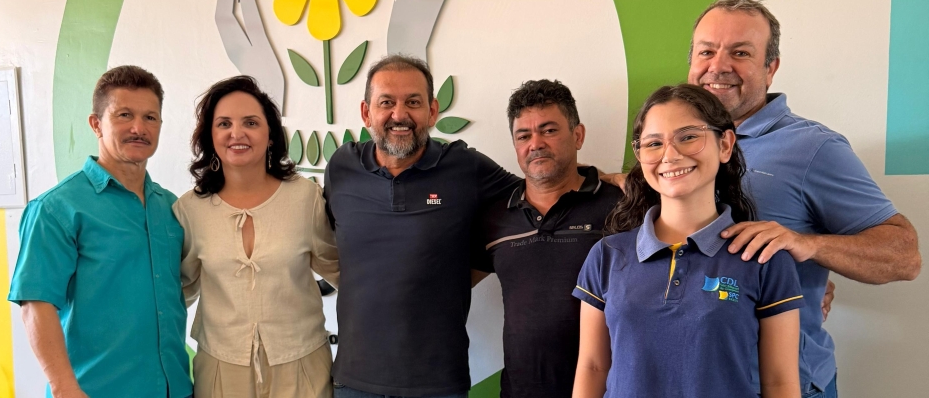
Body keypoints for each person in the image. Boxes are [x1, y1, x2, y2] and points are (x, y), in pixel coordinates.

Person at [686, 0, 920, 396]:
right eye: (707, 51)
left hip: (782, 384)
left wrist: (807, 246)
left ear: (770, 67)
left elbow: (905, 256)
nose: (718, 66)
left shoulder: (813, 148)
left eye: (740, 53)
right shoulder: (673, 145)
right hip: (693, 379)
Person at [574, 84, 803, 398]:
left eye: (689, 137)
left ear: (725, 145)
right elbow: (593, 367)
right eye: (654, 143)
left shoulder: (764, 257)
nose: (670, 155)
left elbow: (780, 382)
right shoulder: (607, 255)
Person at [323, 55, 520, 398]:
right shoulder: (341, 167)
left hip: (437, 382)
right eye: (386, 102)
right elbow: (324, 241)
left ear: (432, 111)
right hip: (354, 380)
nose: (399, 115)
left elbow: (537, 194)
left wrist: (602, 178)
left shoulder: (465, 168)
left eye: (413, 102)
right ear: (366, 113)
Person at [8, 66, 191, 398]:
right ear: (96, 124)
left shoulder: (171, 207)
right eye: (124, 115)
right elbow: (36, 305)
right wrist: (64, 388)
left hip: (175, 389)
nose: (139, 128)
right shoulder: (56, 208)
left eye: (150, 118)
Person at [174, 76, 338, 398]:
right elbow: (178, 292)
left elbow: (341, 270)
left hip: (303, 365)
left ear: (270, 135)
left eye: (250, 122)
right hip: (221, 370)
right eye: (224, 123)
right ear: (210, 135)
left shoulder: (305, 197)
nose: (237, 133)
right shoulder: (189, 210)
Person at [470, 79, 622, 398]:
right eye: (523, 136)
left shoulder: (620, 207)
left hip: (607, 390)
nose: (535, 144)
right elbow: (450, 286)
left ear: (577, 135)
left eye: (549, 130)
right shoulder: (495, 218)